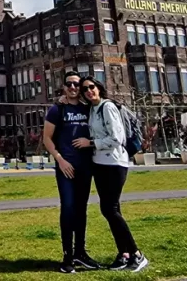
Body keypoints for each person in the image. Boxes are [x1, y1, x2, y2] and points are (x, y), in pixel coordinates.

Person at [72, 78, 148, 273]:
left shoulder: (107, 107)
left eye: (92, 87)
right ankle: (123, 254)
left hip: (114, 163)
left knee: (109, 209)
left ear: (99, 88)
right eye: (85, 89)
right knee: (113, 210)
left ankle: (137, 254)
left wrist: (90, 143)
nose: (89, 91)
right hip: (100, 164)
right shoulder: (92, 109)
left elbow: (117, 138)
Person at [43, 72, 101, 274]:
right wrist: (60, 160)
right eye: (69, 84)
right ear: (64, 87)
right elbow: (47, 139)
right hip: (65, 167)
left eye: (77, 84)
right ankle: (67, 256)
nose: (73, 87)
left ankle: (80, 253)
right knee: (67, 209)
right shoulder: (56, 110)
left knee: (81, 209)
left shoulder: (89, 109)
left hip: (85, 166)